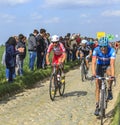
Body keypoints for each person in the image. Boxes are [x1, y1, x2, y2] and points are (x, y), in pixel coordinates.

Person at [92, 37, 116, 116]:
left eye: (104, 47)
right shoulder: (96, 50)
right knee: (97, 85)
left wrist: (112, 76)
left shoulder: (112, 50)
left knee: (110, 73)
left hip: (108, 65)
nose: (103, 49)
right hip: (99, 65)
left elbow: (112, 64)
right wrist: (94, 74)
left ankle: (109, 89)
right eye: (101, 47)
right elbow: (93, 63)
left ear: (107, 46)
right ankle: (97, 105)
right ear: (99, 46)